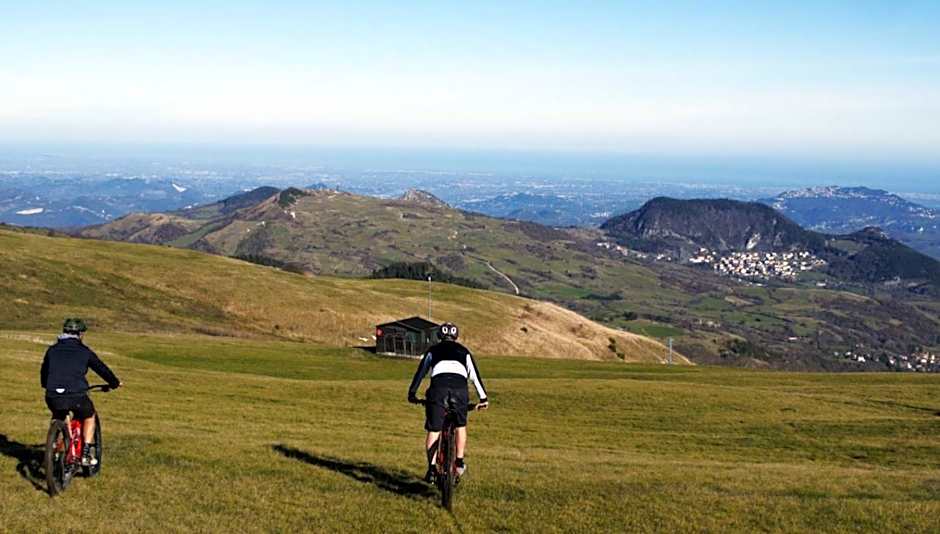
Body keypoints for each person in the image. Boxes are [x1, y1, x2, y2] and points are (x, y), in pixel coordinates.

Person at [408, 322, 488, 481]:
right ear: (456, 337)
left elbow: (420, 373)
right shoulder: (464, 351)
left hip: (438, 389)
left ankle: (431, 470)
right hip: (460, 390)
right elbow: (474, 377)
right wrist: (483, 398)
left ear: (439, 336)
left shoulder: (433, 350)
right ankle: (459, 461)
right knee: (460, 426)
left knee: (434, 430)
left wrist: (412, 393)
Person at [40, 318, 121, 466]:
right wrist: (114, 383)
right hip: (76, 394)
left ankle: (55, 447)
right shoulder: (84, 351)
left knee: (58, 413)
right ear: (80, 334)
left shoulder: (51, 350)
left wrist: (46, 385)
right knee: (89, 415)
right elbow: (101, 368)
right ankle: (86, 454)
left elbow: (44, 372)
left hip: (52, 394)